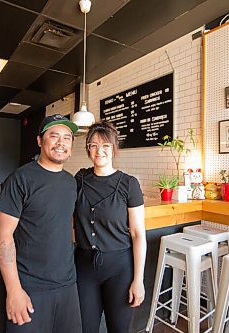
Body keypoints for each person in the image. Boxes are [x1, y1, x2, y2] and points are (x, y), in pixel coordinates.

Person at [0, 114, 82, 333]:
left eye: (67, 137)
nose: (61, 142)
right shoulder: (20, 178)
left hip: (67, 285)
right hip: (29, 288)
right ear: (40, 141)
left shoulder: (71, 183)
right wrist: (14, 290)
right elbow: (3, 236)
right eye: (54, 136)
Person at [73, 121, 147, 333]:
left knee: (119, 329)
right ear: (88, 149)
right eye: (93, 145)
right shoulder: (80, 179)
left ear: (114, 149)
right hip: (84, 267)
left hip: (120, 269)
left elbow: (138, 234)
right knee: (85, 328)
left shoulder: (129, 184)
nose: (99, 151)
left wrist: (138, 280)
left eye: (105, 145)